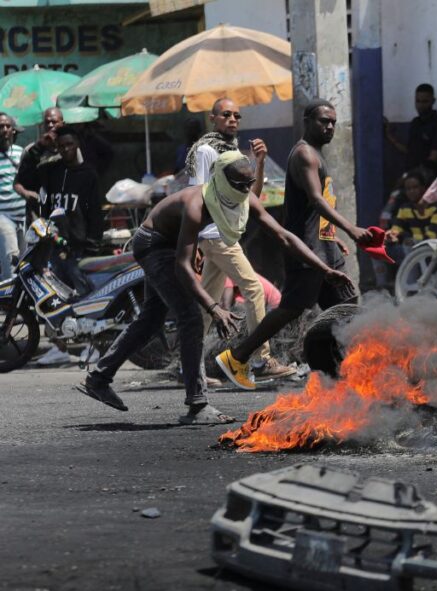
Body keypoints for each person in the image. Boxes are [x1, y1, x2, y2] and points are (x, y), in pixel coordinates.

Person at [75, 151, 352, 423]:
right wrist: (214, 306)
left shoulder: (244, 198)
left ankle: (99, 378)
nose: (245, 190)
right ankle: (197, 404)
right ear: (221, 180)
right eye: (239, 184)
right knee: (192, 317)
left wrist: (324, 269)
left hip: (175, 242)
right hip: (154, 244)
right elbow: (182, 266)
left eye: (248, 184)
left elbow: (284, 237)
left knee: (151, 319)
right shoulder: (197, 204)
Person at [215, 99, 371, 390]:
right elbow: (316, 200)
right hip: (307, 251)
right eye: (324, 121)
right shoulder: (304, 155)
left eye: (333, 122)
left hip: (323, 246)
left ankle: (341, 372)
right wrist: (351, 228)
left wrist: (332, 236)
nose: (329, 127)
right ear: (307, 121)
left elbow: (307, 210)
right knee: (292, 307)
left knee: (346, 308)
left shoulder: (316, 155)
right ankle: (237, 356)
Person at [187, 98, 294, 380]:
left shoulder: (233, 151)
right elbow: (195, 195)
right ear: (213, 119)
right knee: (253, 289)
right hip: (216, 235)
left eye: (237, 115)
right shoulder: (206, 151)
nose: (233, 119)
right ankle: (261, 360)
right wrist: (193, 239)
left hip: (224, 234)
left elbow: (251, 197)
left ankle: (191, 366)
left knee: (208, 306)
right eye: (226, 115)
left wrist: (258, 163)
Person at [38, 126, 103, 296]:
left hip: (78, 250)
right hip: (54, 247)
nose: (66, 149)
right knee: (57, 298)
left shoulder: (88, 175)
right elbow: (26, 177)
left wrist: (92, 246)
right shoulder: (51, 172)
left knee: (85, 297)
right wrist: (40, 146)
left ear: (77, 144)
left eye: (69, 144)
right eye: (61, 146)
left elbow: (95, 213)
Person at [13, 107, 65, 225]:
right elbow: (18, 182)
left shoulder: (69, 148)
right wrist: (26, 194)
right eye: (47, 122)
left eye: (54, 121)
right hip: (38, 216)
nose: (51, 125)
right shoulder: (31, 150)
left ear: (63, 124)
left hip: (64, 214)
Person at [385, 83, 437, 174]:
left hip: (427, 178)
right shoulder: (415, 123)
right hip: (412, 175)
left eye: (425, 101)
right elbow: (409, 151)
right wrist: (390, 137)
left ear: (433, 101)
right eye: (418, 101)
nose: (420, 105)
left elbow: (433, 159)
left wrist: (415, 177)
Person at [386, 171, 437, 250]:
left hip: (435, 249)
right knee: (375, 249)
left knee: (408, 246)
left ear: (424, 188)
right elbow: (395, 230)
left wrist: (409, 239)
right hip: (413, 247)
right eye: (408, 189)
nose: (411, 191)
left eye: (415, 187)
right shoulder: (405, 209)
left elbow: (431, 236)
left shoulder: (436, 208)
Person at [0, 113, 25, 281]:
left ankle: (22, 302)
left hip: (23, 215)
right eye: (0, 127)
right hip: (3, 216)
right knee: (11, 259)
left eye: (8, 126)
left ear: (13, 130)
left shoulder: (21, 153)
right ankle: (6, 304)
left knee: (25, 260)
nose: (4, 130)